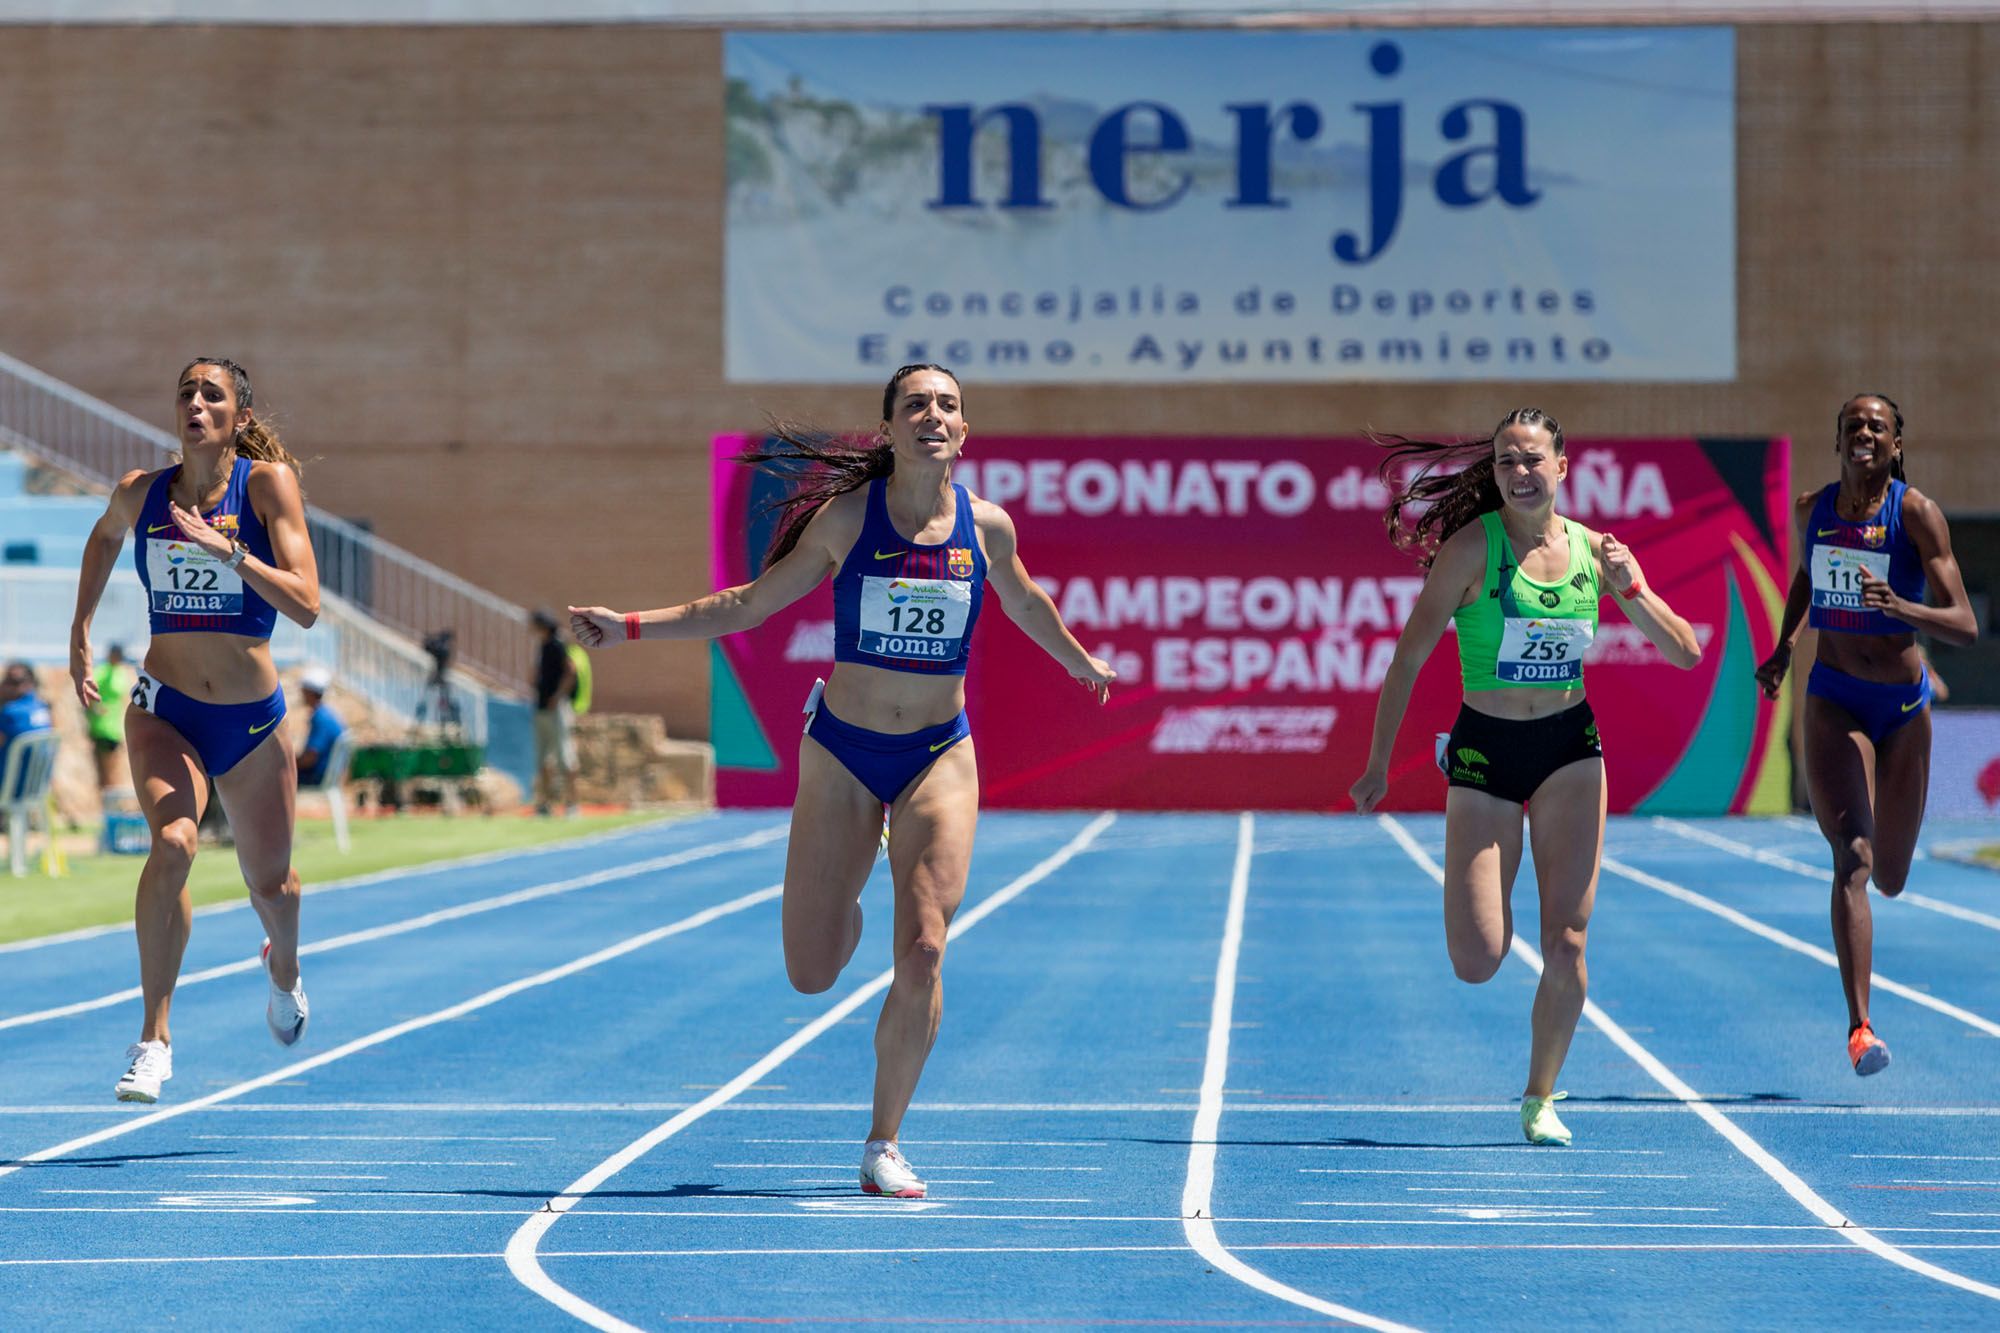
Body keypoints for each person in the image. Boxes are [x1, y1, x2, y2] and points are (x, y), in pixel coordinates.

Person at [569, 364, 1114, 1197]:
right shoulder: (847, 520)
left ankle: (883, 1141)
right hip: (845, 752)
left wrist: (1080, 662)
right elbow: (746, 604)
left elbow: (1027, 601)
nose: (934, 414)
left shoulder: (988, 529)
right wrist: (629, 628)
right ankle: (848, 890)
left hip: (938, 751)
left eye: (948, 405)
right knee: (811, 969)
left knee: (927, 944)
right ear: (889, 429)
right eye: (916, 404)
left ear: (964, 431)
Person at [1350, 409, 1702, 1146]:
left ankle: (1540, 1096)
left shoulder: (1592, 552)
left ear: (1562, 467)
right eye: (1507, 460)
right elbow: (1408, 657)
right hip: (1484, 753)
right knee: (1478, 959)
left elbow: (1686, 653)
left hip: (1569, 747)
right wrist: (1380, 761)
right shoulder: (1471, 550)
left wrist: (1631, 585)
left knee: (1568, 940)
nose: (1519, 471)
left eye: (1533, 459)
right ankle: (1480, 898)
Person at [69, 357, 321, 1104]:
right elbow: (103, 539)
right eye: (186, 392)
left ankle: (284, 967)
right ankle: (153, 1037)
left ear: (239, 417)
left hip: (249, 724)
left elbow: (307, 604)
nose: (196, 403)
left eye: (212, 394)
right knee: (174, 841)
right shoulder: (141, 493)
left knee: (273, 885)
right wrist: (80, 627)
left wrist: (231, 552)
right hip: (165, 708)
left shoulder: (266, 487)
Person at [1754, 394, 1977, 1076]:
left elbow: (1965, 622)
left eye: (1878, 426)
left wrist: (1899, 606)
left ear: (1896, 445)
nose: (1865, 433)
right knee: (1851, 855)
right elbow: (1806, 576)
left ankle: (1882, 877)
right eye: (1854, 425)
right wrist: (1785, 644)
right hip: (1834, 700)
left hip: (1903, 709)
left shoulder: (1916, 514)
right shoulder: (1810, 510)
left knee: (1892, 874)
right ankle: (1860, 1028)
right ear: (1839, 440)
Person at [530, 609, 579, 817]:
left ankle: (572, 804)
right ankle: (545, 803)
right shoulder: (543, 645)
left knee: (564, 757)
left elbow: (571, 671)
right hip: (541, 706)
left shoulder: (557, 644)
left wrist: (557, 697)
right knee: (543, 760)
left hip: (556, 708)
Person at [0, 661, 54, 802]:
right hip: (38, 785)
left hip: (12, 785)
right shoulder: (42, 708)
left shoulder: (11, 712)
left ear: (29, 683)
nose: (4, 685)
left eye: (12, 681)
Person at [89, 644, 137, 796]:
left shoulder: (121, 672)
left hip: (115, 728)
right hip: (102, 728)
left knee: (113, 770)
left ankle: (110, 805)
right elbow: (89, 691)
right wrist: (95, 708)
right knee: (104, 771)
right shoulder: (101, 671)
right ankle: (105, 806)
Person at [296, 666, 347, 789]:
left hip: (318, 775)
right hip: (329, 774)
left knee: (276, 776)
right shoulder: (328, 714)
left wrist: (289, 764)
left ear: (310, 692)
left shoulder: (320, 718)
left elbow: (310, 757)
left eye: (303, 690)